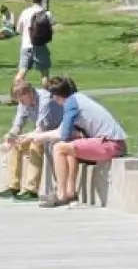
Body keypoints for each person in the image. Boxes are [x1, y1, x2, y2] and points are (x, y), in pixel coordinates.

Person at [27, 76, 128, 208]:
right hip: (112, 143)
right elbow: (63, 130)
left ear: (57, 96)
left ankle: (61, 193)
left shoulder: (71, 103)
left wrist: (40, 137)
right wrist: (34, 135)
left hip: (111, 144)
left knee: (59, 148)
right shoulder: (77, 99)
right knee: (69, 148)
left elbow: (62, 134)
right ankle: (69, 192)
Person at [0, 82, 64, 202]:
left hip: (57, 132)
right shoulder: (24, 102)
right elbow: (18, 125)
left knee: (35, 143)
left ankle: (32, 190)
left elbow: (41, 129)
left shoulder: (45, 100)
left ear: (29, 93)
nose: (21, 103)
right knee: (17, 144)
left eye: (21, 100)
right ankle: (13, 186)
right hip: (43, 133)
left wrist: (25, 137)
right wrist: (11, 136)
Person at [14, 0, 54, 85]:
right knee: (44, 74)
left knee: (22, 72)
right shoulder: (47, 13)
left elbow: (18, 30)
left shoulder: (25, 12)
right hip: (40, 45)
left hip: (26, 46)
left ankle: (15, 95)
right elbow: (51, 30)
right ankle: (46, 96)